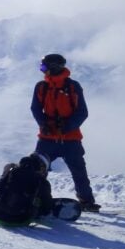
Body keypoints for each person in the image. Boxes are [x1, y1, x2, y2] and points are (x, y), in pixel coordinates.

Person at [30, 53, 99, 211]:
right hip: (48, 138)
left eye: (44, 67)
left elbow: (82, 112)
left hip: (69, 139)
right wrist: (44, 124)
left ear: (54, 67)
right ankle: (34, 198)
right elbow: (35, 108)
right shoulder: (41, 87)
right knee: (38, 170)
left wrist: (67, 127)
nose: (42, 71)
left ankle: (86, 201)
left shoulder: (73, 87)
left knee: (78, 172)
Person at [0, 153, 55, 226]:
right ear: (42, 167)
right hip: (22, 222)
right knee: (38, 199)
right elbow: (46, 209)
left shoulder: (12, 171)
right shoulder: (42, 182)